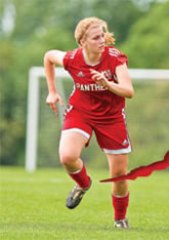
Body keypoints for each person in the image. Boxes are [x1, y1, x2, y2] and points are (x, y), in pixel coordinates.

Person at [43, 17, 134, 229]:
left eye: (103, 35)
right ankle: (83, 184)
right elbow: (48, 57)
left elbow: (129, 91)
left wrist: (107, 83)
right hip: (81, 111)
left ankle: (120, 219)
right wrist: (52, 92)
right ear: (83, 42)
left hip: (111, 116)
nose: (102, 40)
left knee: (119, 175)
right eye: (96, 37)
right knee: (67, 156)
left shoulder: (115, 58)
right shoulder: (73, 58)